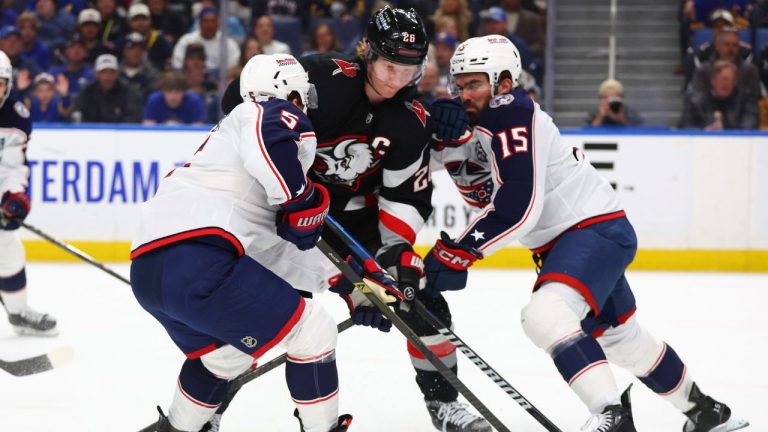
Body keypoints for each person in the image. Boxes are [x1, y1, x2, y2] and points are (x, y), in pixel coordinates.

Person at [425, 35, 751, 432]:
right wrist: (430, 129)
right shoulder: (468, 123)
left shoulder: (510, 112)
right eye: (458, 86)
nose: (463, 95)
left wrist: (461, 250)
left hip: (589, 231)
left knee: (544, 316)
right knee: (621, 338)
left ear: (504, 83)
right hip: (581, 238)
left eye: (474, 84)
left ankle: (612, 417)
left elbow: (520, 206)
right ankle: (708, 413)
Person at [221, 7, 492, 432]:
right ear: (368, 52)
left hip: (355, 228)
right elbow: (239, 106)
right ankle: (209, 410)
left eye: (408, 69)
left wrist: (397, 252)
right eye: (388, 65)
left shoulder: (411, 119)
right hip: (290, 216)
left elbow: (404, 194)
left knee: (424, 306)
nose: (396, 79)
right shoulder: (317, 79)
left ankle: (444, 405)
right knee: (252, 313)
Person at [131, 53, 369, 432]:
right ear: (286, 91)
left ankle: (177, 429)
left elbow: (274, 247)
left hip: (149, 273)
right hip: (200, 262)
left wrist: (347, 282)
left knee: (228, 353)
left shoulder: (227, 155)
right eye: (302, 95)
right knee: (314, 332)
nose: (305, 105)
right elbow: (276, 146)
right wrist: (302, 199)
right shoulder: (262, 113)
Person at [0, 50, 57, 335]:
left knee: (7, 248)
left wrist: (13, 196)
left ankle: (19, 313)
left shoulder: (16, 116)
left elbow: (13, 166)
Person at [679, 59, 758, 130]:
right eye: (723, 79)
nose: (725, 84)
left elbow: (749, 125)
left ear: (735, 83)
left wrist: (726, 131)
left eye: (730, 80)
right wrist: (704, 131)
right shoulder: (696, 101)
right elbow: (686, 126)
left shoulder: (745, 101)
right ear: (713, 81)